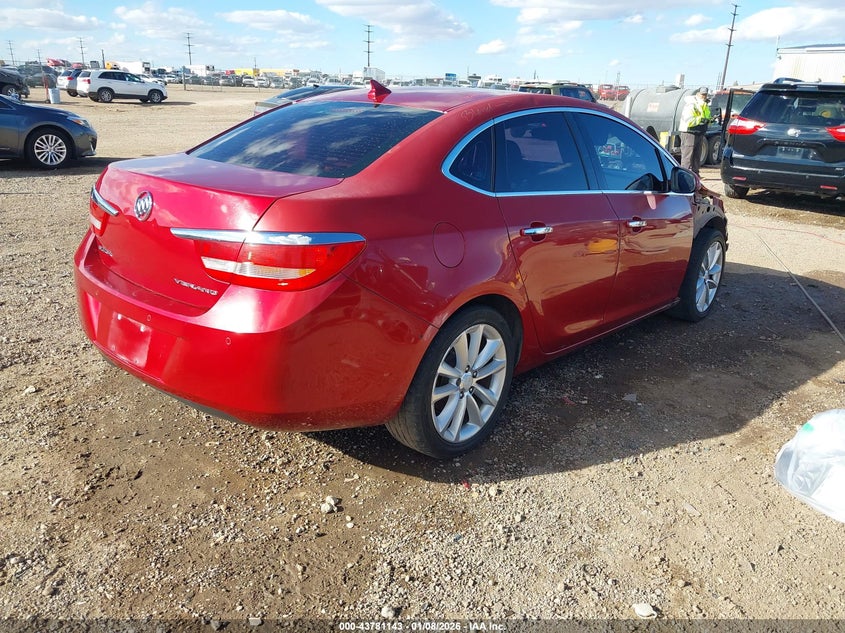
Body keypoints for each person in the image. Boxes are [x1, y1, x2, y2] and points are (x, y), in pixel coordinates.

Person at [679, 86, 712, 173]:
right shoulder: (691, 104)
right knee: (687, 156)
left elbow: (707, 117)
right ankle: (685, 174)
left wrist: (709, 120)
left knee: (697, 156)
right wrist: (701, 120)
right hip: (689, 132)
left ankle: (695, 174)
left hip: (699, 132)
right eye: (702, 94)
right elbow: (688, 120)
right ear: (697, 94)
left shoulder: (704, 105)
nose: (704, 96)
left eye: (705, 94)